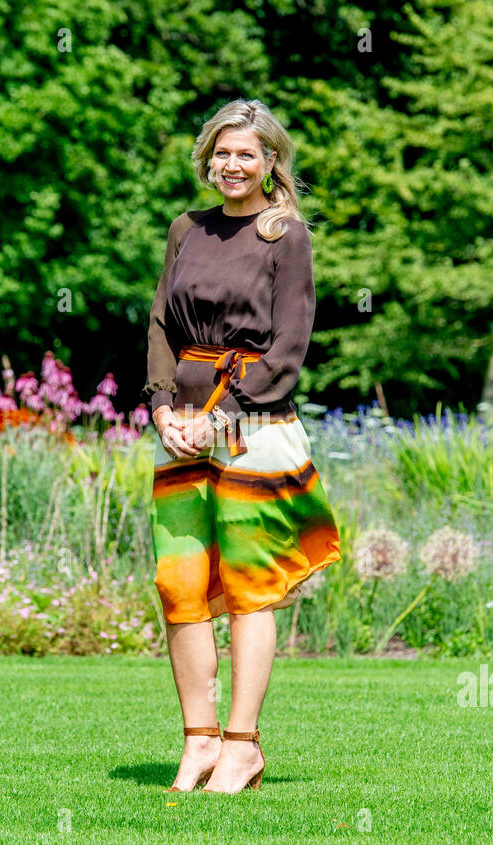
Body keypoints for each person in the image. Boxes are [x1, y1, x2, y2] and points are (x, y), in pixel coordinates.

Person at [140, 99, 342, 794]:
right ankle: (197, 741)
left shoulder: (285, 236)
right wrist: (165, 406)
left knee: (251, 589)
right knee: (181, 584)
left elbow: (289, 348)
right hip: (181, 427)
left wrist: (218, 414)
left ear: (270, 162)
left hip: (253, 427)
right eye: (222, 153)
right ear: (207, 158)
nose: (232, 165)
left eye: (246, 154)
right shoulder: (183, 229)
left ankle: (241, 745)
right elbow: (162, 324)